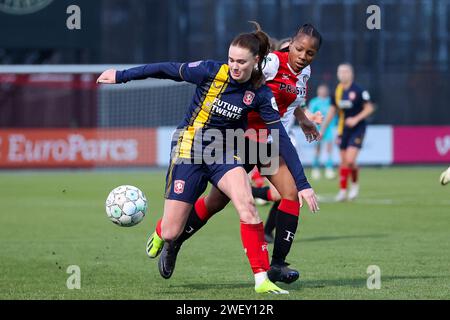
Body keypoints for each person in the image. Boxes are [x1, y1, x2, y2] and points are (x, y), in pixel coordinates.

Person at [97, 22, 319, 294]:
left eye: (309, 53)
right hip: (224, 141)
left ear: (254, 61)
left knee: (277, 196)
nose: (303, 56)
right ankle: (170, 237)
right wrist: (121, 75)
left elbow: (284, 113)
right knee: (202, 210)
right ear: (286, 47)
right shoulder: (262, 65)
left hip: (247, 144)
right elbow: (168, 69)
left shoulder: (291, 77)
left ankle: (272, 269)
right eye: (299, 49)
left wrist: (304, 126)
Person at [320, 63, 375, 201]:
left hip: (358, 129)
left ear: (351, 74)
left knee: (350, 161)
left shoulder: (359, 90)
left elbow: (369, 108)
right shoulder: (337, 91)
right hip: (342, 130)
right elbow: (332, 111)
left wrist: (356, 119)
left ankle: (355, 185)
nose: (342, 74)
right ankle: (343, 191)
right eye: (340, 72)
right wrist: (323, 129)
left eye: (345, 71)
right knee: (344, 161)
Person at [309, 84, 337, 180]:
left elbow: (334, 113)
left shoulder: (330, 101)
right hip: (317, 128)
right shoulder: (314, 102)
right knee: (317, 148)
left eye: (324, 90)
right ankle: (315, 169)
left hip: (329, 128)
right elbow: (310, 115)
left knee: (329, 148)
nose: (323, 92)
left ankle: (329, 169)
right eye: (321, 90)